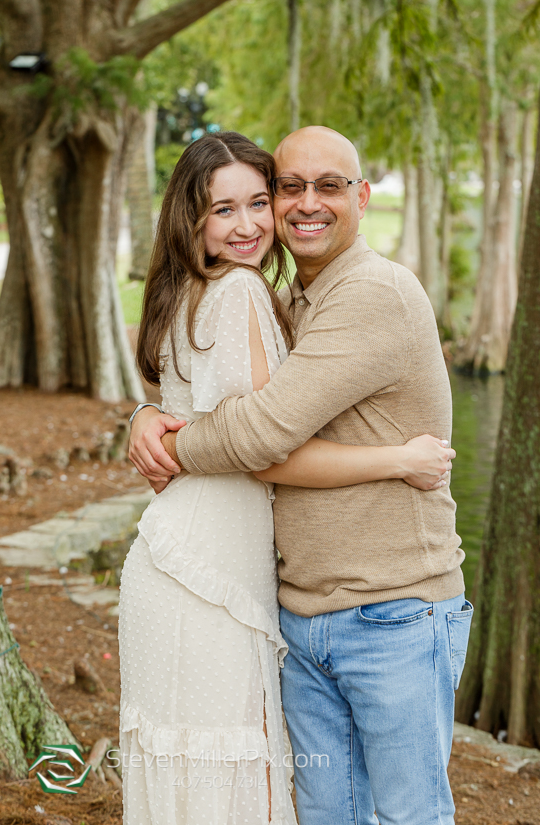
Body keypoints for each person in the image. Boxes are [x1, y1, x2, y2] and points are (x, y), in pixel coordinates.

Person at [129, 126, 472, 825]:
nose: (299, 205)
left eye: (330, 186)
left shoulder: (372, 293)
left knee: (410, 814)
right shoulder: (288, 297)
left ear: (364, 197)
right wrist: (146, 415)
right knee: (326, 812)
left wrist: (170, 437)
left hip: (392, 610)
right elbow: (240, 418)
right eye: (289, 187)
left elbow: (258, 435)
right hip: (305, 616)